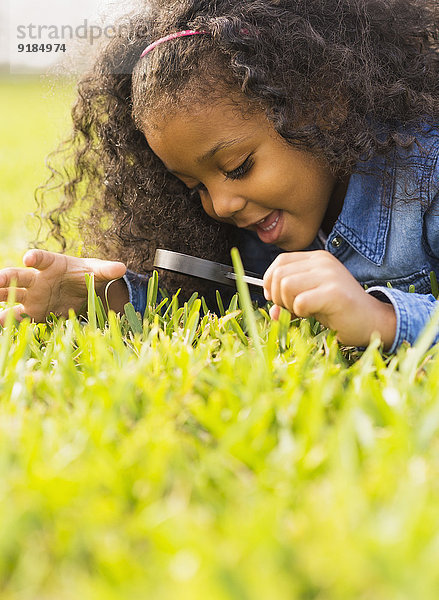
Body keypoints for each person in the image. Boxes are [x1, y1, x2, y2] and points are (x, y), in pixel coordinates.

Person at [0, 0, 437, 352]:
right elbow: (215, 301)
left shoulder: (427, 178)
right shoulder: (252, 227)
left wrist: (381, 319)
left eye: (238, 167)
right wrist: (109, 297)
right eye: (196, 189)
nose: (222, 205)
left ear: (323, 106)